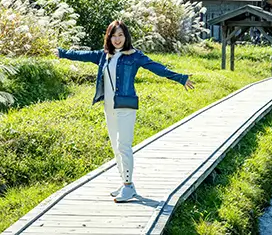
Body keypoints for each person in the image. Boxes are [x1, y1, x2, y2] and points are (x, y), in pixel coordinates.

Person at [58, 20, 194, 202]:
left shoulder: (134, 56)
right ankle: (125, 182)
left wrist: (181, 78)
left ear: (126, 36)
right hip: (109, 106)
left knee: (124, 145)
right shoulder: (104, 55)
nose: (117, 39)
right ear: (109, 37)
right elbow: (82, 54)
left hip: (126, 105)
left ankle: (128, 186)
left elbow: (157, 68)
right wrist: (61, 53)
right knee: (116, 147)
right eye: (113, 35)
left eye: (120, 35)